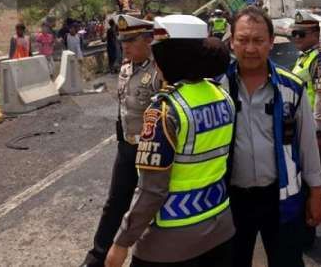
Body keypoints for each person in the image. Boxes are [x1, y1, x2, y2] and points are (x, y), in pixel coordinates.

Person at [105, 15, 235, 267]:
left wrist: (121, 242)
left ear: (167, 56)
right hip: (219, 226)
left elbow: (151, 191)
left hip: (170, 239)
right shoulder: (222, 95)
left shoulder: (164, 111)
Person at [223, 6, 321, 267]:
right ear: (232, 42)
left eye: (258, 41)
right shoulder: (217, 88)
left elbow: (307, 146)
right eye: (243, 40)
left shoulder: (291, 87)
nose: (250, 48)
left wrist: (315, 194)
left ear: (271, 42)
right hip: (231, 201)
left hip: (280, 199)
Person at [83, 15, 161, 267]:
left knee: (151, 207)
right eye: (122, 40)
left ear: (149, 40)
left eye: (131, 40)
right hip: (127, 147)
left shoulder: (160, 71)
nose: (125, 46)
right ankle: (97, 256)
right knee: (115, 203)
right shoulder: (126, 67)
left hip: (150, 151)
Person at [290, 10, 321, 248]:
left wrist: (318, 131)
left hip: (314, 130)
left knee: (310, 184)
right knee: (299, 183)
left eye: (300, 33)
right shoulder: (304, 57)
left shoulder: (320, 60)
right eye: (293, 34)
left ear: (315, 35)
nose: (295, 38)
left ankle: (307, 235)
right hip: (301, 129)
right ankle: (300, 230)